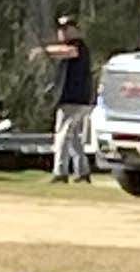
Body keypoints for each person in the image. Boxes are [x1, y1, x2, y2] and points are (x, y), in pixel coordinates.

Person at [42, 17, 98, 182]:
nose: (62, 32)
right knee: (72, 137)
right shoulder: (72, 49)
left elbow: (68, 52)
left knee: (62, 135)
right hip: (76, 100)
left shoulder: (78, 46)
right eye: (61, 29)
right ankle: (83, 172)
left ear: (75, 30)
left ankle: (60, 172)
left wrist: (44, 50)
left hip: (74, 100)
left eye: (66, 28)